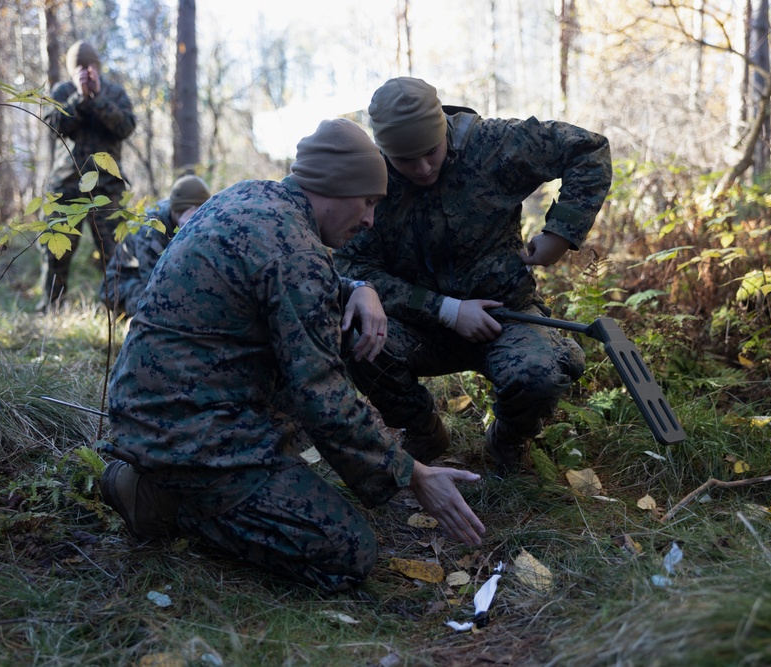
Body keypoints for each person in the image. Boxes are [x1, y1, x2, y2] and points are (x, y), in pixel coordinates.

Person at [100, 118, 485, 593]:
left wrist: (359, 288)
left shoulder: (250, 198)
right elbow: (322, 393)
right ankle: (157, 499)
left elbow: (278, 280)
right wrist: (414, 475)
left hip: (160, 409)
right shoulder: (295, 250)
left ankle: (183, 480)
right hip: (189, 433)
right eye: (367, 201)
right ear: (334, 187)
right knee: (348, 552)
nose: (370, 219)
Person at [334, 77, 613, 474]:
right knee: (353, 335)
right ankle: (424, 430)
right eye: (405, 160)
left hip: (505, 317)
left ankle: (509, 437)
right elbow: (354, 269)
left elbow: (588, 150)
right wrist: (446, 310)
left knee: (541, 373)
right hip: (418, 326)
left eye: (430, 152)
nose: (422, 168)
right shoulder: (368, 176)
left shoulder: (493, 144)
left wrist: (560, 233)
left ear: (442, 131)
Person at [38, 40, 136, 311]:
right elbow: (54, 126)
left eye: (90, 66)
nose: (85, 71)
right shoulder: (62, 91)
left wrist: (98, 99)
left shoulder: (115, 93)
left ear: (98, 66)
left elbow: (127, 127)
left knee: (115, 254)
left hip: (107, 189)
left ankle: (119, 310)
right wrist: (79, 99)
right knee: (57, 252)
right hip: (66, 186)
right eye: (79, 67)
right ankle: (52, 309)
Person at [99, 174, 211, 318]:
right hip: (122, 285)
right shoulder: (149, 228)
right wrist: (185, 235)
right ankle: (136, 324)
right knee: (160, 304)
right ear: (177, 211)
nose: (197, 220)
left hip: (162, 280)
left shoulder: (202, 218)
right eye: (192, 215)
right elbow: (155, 285)